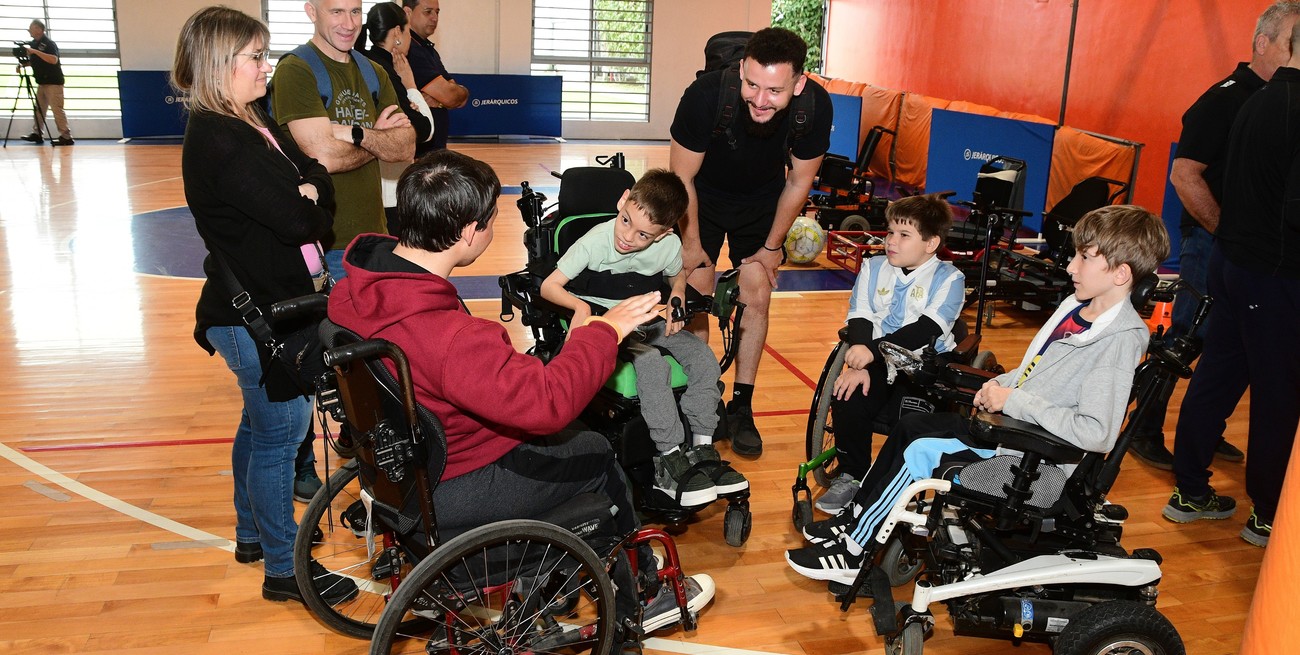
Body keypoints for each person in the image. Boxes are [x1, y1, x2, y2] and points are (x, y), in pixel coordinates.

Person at [327, 150, 714, 646]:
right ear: (470, 232)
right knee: (595, 453)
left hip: (407, 464)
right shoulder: (451, 337)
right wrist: (604, 332)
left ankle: (551, 585)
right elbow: (544, 404)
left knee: (569, 443)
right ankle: (644, 591)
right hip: (460, 477)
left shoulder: (356, 289)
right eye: (490, 221)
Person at [786, 206, 1169, 584]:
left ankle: (855, 550)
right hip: (1012, 429)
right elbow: (1038, 368)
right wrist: (1003, 383)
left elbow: (1097, 432)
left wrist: (1014, 401)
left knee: (921, 451)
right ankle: (855, 518)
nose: (1070, 267)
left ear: (1120, 273)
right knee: (911, 428)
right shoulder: (1076, 306)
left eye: (1084, 258)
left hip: (1037, 461)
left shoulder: (1119, 340)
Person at [172, 5, 355, 604]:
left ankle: (252, 534)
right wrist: (309, 199)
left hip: (260, 307)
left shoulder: (250, 119)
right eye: (255, 55)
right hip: (250, 316)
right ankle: (286, 570)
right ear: (220, 65)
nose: (266, 65)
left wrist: (311, 188)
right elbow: (301, 220)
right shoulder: (219, 139)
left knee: (259, 425)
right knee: (282, 434)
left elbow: (312, 173)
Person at [1129, 2, 1300, 470]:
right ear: (1263, 43)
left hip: (1242, 248)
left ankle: (1205, 435)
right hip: (1216, 241)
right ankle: (1144, 428)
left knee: (1229, 352)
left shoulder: (1272, 98)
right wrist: (1227, 232)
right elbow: (1184, 176)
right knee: (1188, 338)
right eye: (1292, 38)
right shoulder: (1224, 99)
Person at [1161, 18, 1300, 548]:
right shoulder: (1252, 100)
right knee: (1277, 395)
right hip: (1268, 271)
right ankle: (1267, 513)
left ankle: (1191, 490)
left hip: (1238, 263)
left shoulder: (1258, 99)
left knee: (1218, 374)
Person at [540, 169, 748, 507]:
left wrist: (677, 295)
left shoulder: (668, 245)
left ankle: (701, 446)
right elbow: (550, 285)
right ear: (623, 201)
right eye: (625, 221)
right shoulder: (595, 240)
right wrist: (579, 307)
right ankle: (669, 457)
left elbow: (676, 274)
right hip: (611, 323)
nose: (627, 237)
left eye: (642, 235)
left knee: (702, 357)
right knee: (651, 364)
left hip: (651, 317)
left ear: (664, 233)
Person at [670, 27, 833, 457]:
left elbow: (799, 181)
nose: (760, 100)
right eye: (752, 84)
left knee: (757, 292)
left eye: (775, 91)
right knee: (696, 294)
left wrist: (772, 247)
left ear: (798, 83)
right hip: (699, 198)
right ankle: (699, 399)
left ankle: (741, 405)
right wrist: (690, 246)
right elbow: (681, 176)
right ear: (741, 69)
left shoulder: (814, 107)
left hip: (762, 200)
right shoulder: (706, 95)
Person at [814, 195, 966, 515]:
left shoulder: (950, 278)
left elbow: (924, 329)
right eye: (890, 232)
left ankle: (894, 485)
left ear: (931, 243)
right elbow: (861, 316)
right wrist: (858, 358)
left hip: (923, 365)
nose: (891, 242)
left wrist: (870, 353)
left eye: (903, 235)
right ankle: (852, 475)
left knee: (913, 422)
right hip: (878, 360)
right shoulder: (873, 266)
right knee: (847, 394)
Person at [271, 0, 415, 277]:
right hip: (324, 244)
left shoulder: (375, 72)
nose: (349, 25)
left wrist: (353, 133)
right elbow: (323, 156)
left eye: (355, 12)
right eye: (336, 12)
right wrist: (379, 139)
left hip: (376, 237)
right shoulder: (295, 70)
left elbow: (406, 147)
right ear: (311, 12)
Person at [358, 1, 435, 234]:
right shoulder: (386, 71)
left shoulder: (363, 61)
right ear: (397, 33)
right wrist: (411, 86)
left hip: (369, 187)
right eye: (407, 30)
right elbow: (424, 128)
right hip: (390, 191)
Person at [402, 0, 469, 154]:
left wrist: (440, 100)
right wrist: (446, 98)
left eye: (437, 12)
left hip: (433, 151)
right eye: (428, 12)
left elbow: (458, 97)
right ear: (408, 12)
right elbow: (451, 96)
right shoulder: (411, 50)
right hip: (420, 153)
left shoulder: (427, 49)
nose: (434, 18)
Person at [18, 19, 73, 146]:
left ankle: (66, 136)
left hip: (53, 82)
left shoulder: (49, 44)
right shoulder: (34, 44)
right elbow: (37, 61)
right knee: (39, 109)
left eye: (31, 28)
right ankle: (37, 133)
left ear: (39, 29)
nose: (29, 31)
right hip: (42, 82)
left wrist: (35, 52)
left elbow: (53, 59)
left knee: (57, 109)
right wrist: (24, 64)